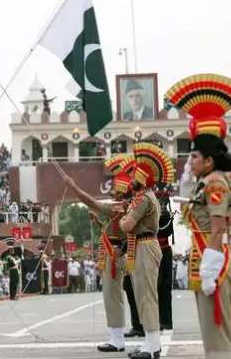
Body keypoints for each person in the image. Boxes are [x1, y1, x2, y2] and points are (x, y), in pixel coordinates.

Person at [165, 73, 231, 359]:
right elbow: (188, 207)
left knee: (220, 329)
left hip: (215, 253)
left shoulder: (215, 183)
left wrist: (211, 268)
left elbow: (216, 228)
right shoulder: (208, 180)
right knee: (212, 331)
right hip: (207, 252)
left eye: (195, 157)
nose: (190, 161)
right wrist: (188, 175)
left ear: (209, 159)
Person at [61, 154, 134, 353]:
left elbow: (90, 201)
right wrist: (100, 223)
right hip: (115, 252)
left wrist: (73, 187)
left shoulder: (120, 208)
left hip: (114, 255)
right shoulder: (126, 208)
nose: (112, 193)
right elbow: (116, 230)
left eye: (115, 190)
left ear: (122, 192)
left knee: (112, 295)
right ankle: (116, 335)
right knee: (113, 294)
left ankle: (117, 339)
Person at [120, 143, 173, 359]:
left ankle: (152, 347)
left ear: (143, 176)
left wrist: (124, 218)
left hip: (144, 245)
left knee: (147, 296)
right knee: (142, 296)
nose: (130, 177)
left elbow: (126, 225)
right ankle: (149, 343)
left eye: (133, 173)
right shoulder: (143, 197)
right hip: (140, 245)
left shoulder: (143, 199)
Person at [156, 188, 174, 330]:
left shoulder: (166, 215)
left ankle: (166, 320)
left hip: (164, 251)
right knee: (155, 286)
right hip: (154, 251)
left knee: (165, 287)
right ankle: (157, 319)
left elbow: (166, 231)